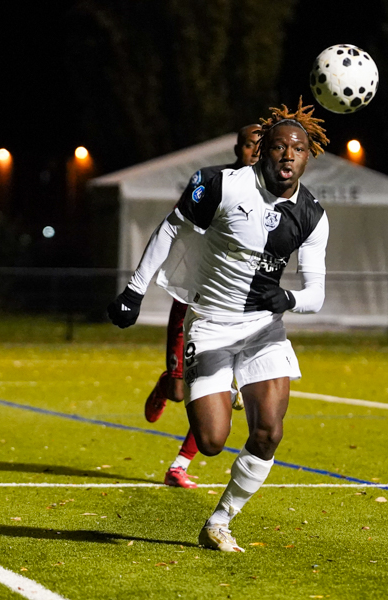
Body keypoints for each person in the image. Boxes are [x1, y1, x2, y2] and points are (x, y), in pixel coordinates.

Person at [108, 98, 330, 552]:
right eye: (280, 146)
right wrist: (134, 290)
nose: (289, 155)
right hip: (210, 322)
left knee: (269, 431)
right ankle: (182, 390)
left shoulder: (312, 215)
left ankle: (220, 521)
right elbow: (170, 228)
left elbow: (315, 292)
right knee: (211, 441)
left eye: (299, 149)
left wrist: (286, 299)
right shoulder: (220, 185)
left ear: (310, 156)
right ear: (262, 150)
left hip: (264, 330)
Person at [144, 124, 262, 489]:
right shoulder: (214, 183)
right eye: (248, 145)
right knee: (181, 393)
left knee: (220, 397)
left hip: (235, 313)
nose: (255, 152)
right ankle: (168, 384)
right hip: (193, 304)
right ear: (237, 148)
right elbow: (176, 227)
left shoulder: (273, 194)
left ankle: (178, 466)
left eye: (262, 146)